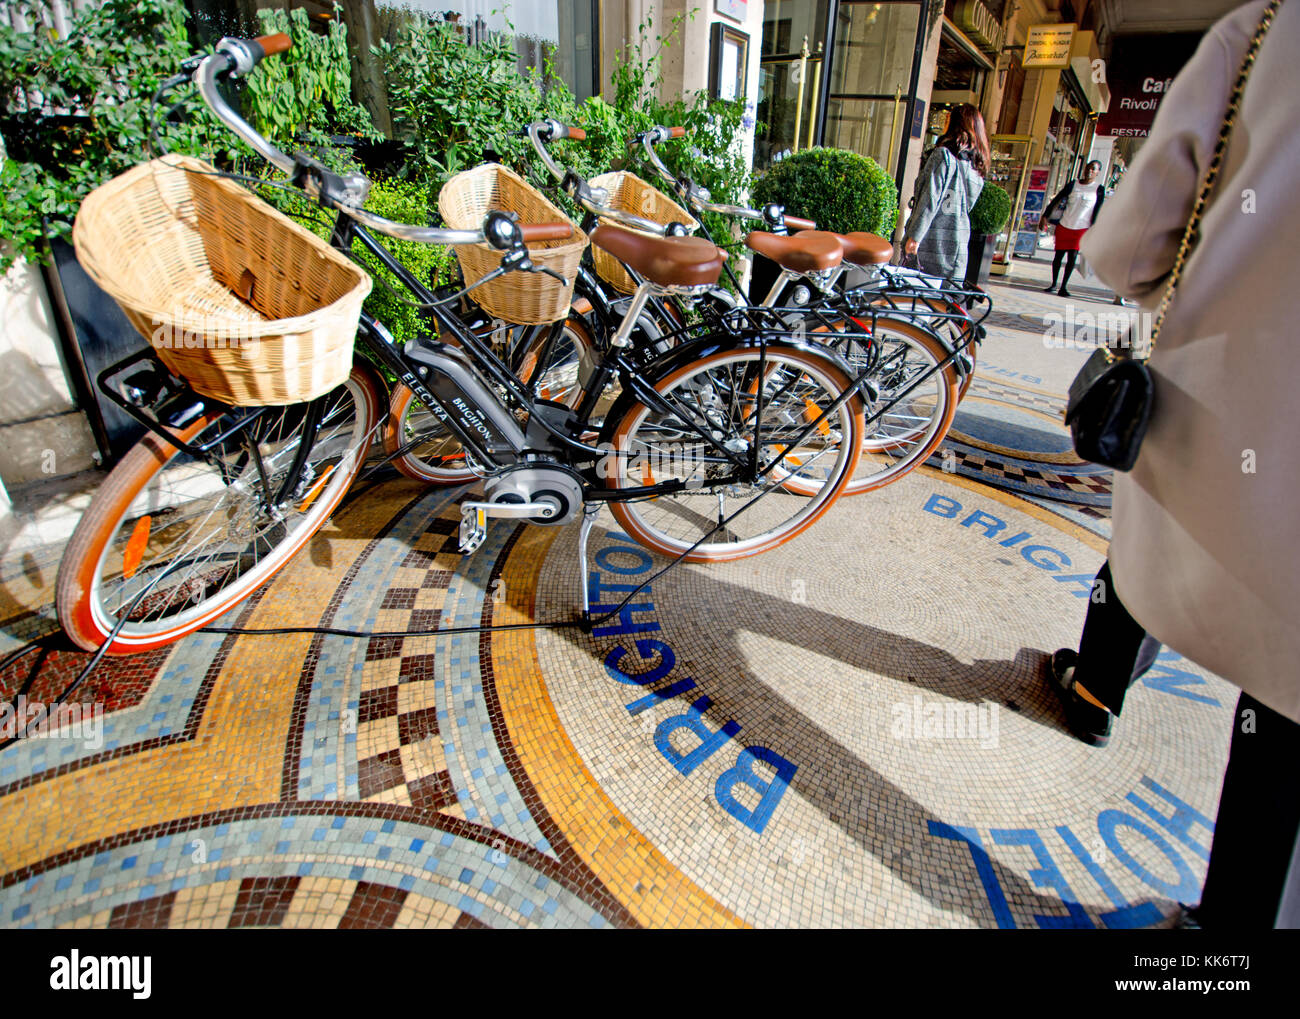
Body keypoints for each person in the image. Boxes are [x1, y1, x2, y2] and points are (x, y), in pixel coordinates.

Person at [1046, 0, 1299, 927]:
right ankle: (1229, 927)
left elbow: (1128, 248)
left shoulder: (1266, 33)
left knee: (1155, 546)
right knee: (1288, 703)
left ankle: (1096, 686)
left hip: (1232, 410)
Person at [902, 104, 987, 280]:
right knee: (943, 301)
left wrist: (914, 237)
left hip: (933, 239)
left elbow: (930, 200)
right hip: (959, 241)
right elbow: (967, 206)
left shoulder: (943, 156)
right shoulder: (975, 166)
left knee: (916, 297)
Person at [1041, 159, 1105, 296]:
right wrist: (1045, 216)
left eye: (1094, 169)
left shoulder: (1099, 189)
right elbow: (1057, 199)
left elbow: (1097, 210)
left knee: (1072, 256)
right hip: (1065, 224)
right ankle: (1053, 284)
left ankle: (1063, 286)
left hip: (1082, 228)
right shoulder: (1073, 184)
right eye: (1088, 168)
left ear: (1098, 172)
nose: (1090, 171)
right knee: (1058, 256)